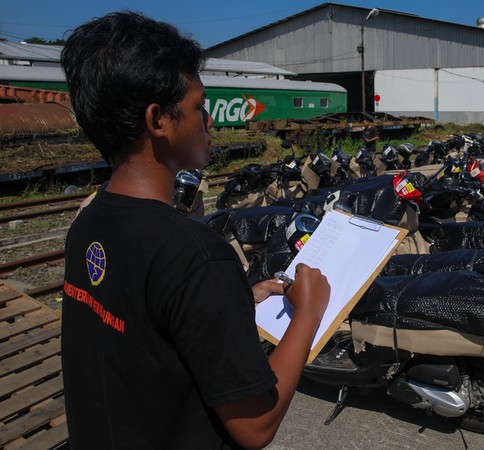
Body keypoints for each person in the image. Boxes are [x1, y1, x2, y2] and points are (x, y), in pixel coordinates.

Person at [60, 11, 330, 450]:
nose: (210, 122)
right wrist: (310, 314)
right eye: (199, 107)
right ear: (158, 121)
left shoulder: (88, 222)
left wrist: (236, 297)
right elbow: (255, 425)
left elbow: (147, 325)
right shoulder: (196, 257)